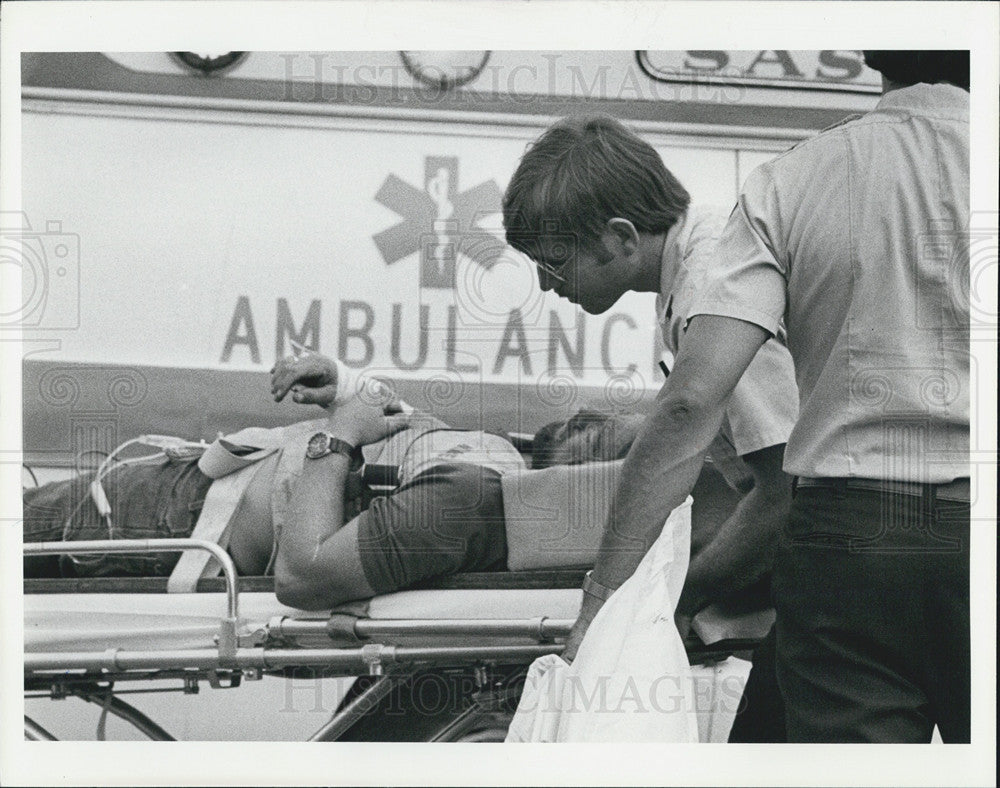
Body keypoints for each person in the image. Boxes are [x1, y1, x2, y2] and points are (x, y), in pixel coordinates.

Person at [557, 51, 971, 743]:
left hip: (848, 542)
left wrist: (605, 599)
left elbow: (690, 404)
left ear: (874, 52)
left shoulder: (792, 179)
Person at [503, 114, 799, 741]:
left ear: (621, 236)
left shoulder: (714, 291)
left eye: (555, 261)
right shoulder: (703, 264)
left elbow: (782, 497)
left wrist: (655, 602)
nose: (543, 284)